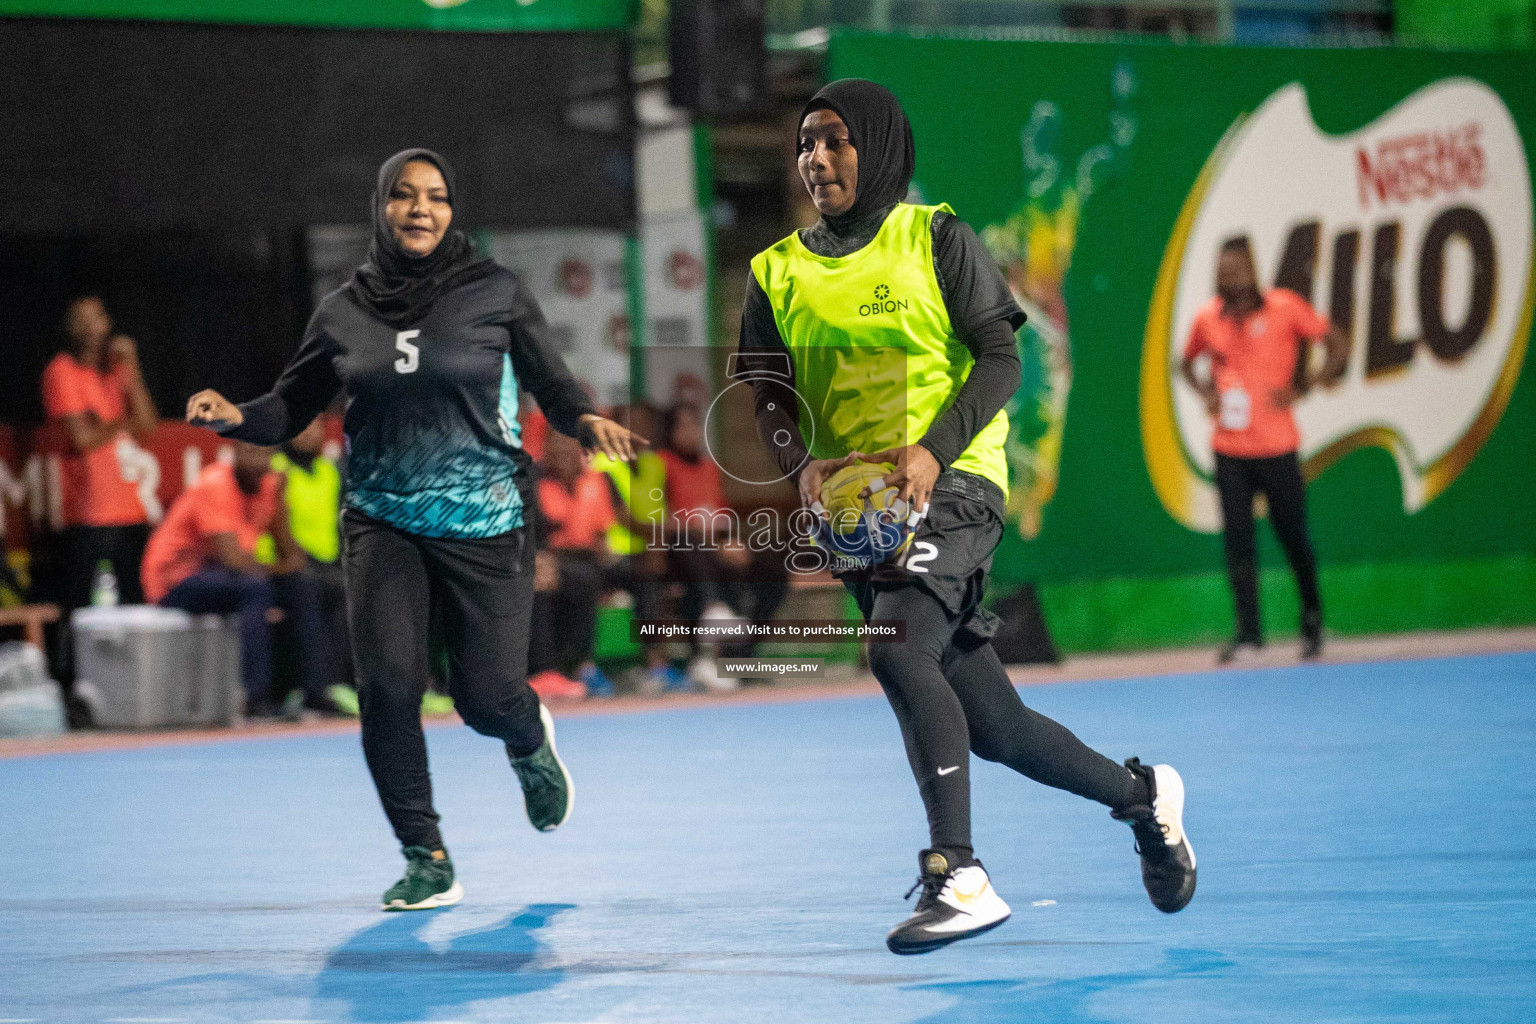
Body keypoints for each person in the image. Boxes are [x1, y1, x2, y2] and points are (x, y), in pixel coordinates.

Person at [739, 80, 1196, 954]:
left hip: (952, 487)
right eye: (805, 143)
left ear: (877, 147)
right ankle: (1145, 800)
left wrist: (934, 448)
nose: (817, 158)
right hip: (859, 519)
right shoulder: (776, 271)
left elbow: (999, 356)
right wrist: (800, 468)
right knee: (995, 727)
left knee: (898, 651)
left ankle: (960, 873)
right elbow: (765, 393)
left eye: (836, 140)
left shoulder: (935, 235)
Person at [185, 149, 641, 912]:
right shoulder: (341, 312)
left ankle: (528, 738)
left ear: (452, 209)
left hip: (485, 520)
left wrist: (587, 420)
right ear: (381, 207)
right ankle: (424, 855)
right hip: (381, 521)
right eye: (403, 195)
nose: (420, 209)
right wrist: (237, 416)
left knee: (483, 698)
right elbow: (290, 407)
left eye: (434, 196)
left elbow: (554, 386)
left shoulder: (494, 291)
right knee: (390, 689)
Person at [1181, 236, 1348, 663]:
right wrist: (1207, 395)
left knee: (1293, 535)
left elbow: (1336, 341)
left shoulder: (1284, 307)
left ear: (1253, 270)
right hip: (1230, 450)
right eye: (1221, 270)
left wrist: (1306, 385)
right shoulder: (1208, 318)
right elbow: (1186, 364)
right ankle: (1249, 635)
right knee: (1238, 542)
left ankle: (1312, 621)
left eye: (1235, 269)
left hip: (1277, 447)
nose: (1228, 277)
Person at [141, 440, 330, 717]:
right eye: (250, 452)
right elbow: (235, 561)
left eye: (265, 452)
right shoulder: (216, 483)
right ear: (235, 453)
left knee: (301, 587)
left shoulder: (270, 486)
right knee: (256, 589)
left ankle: (316, 693)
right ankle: (256, 699)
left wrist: (279, 507)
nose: (257, 460)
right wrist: (281, 568)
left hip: (220, 575)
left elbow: (292, 557)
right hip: (174, 579)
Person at [41, 296, 158, 639]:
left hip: (130, 509)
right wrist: (121, 423)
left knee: (137, 607)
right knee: (80, 611)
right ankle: (73, 684)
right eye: (82, 320)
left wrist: (132, 369)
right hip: (87, 513)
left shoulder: (117, 370)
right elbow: (82, 438)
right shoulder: (62, 371)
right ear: (70, 329)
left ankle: (136, 680)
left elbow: (148, 426)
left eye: (98, 318)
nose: (92, 327)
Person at [267, 416, 354, 709]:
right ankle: (316, 689)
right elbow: (275, 523)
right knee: (311, 590)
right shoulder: (276, 470)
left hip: (328, 563)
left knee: (352, 590)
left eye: (313, 426)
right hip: (283, 563)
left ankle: (343, 683)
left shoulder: (329, 472)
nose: (307, 432)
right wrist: (294, 558)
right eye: (301, 425)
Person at [528, 429, 617, 698]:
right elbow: (532, 531)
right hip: (545, 558)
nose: (564, 451)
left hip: (587, 559)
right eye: (556, 445)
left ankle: (580, 666)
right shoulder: (534, 480)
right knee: (543, 578)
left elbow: (603, 533)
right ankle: (544, 671)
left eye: (570, 445)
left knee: (597, 576)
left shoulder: (596, 480)